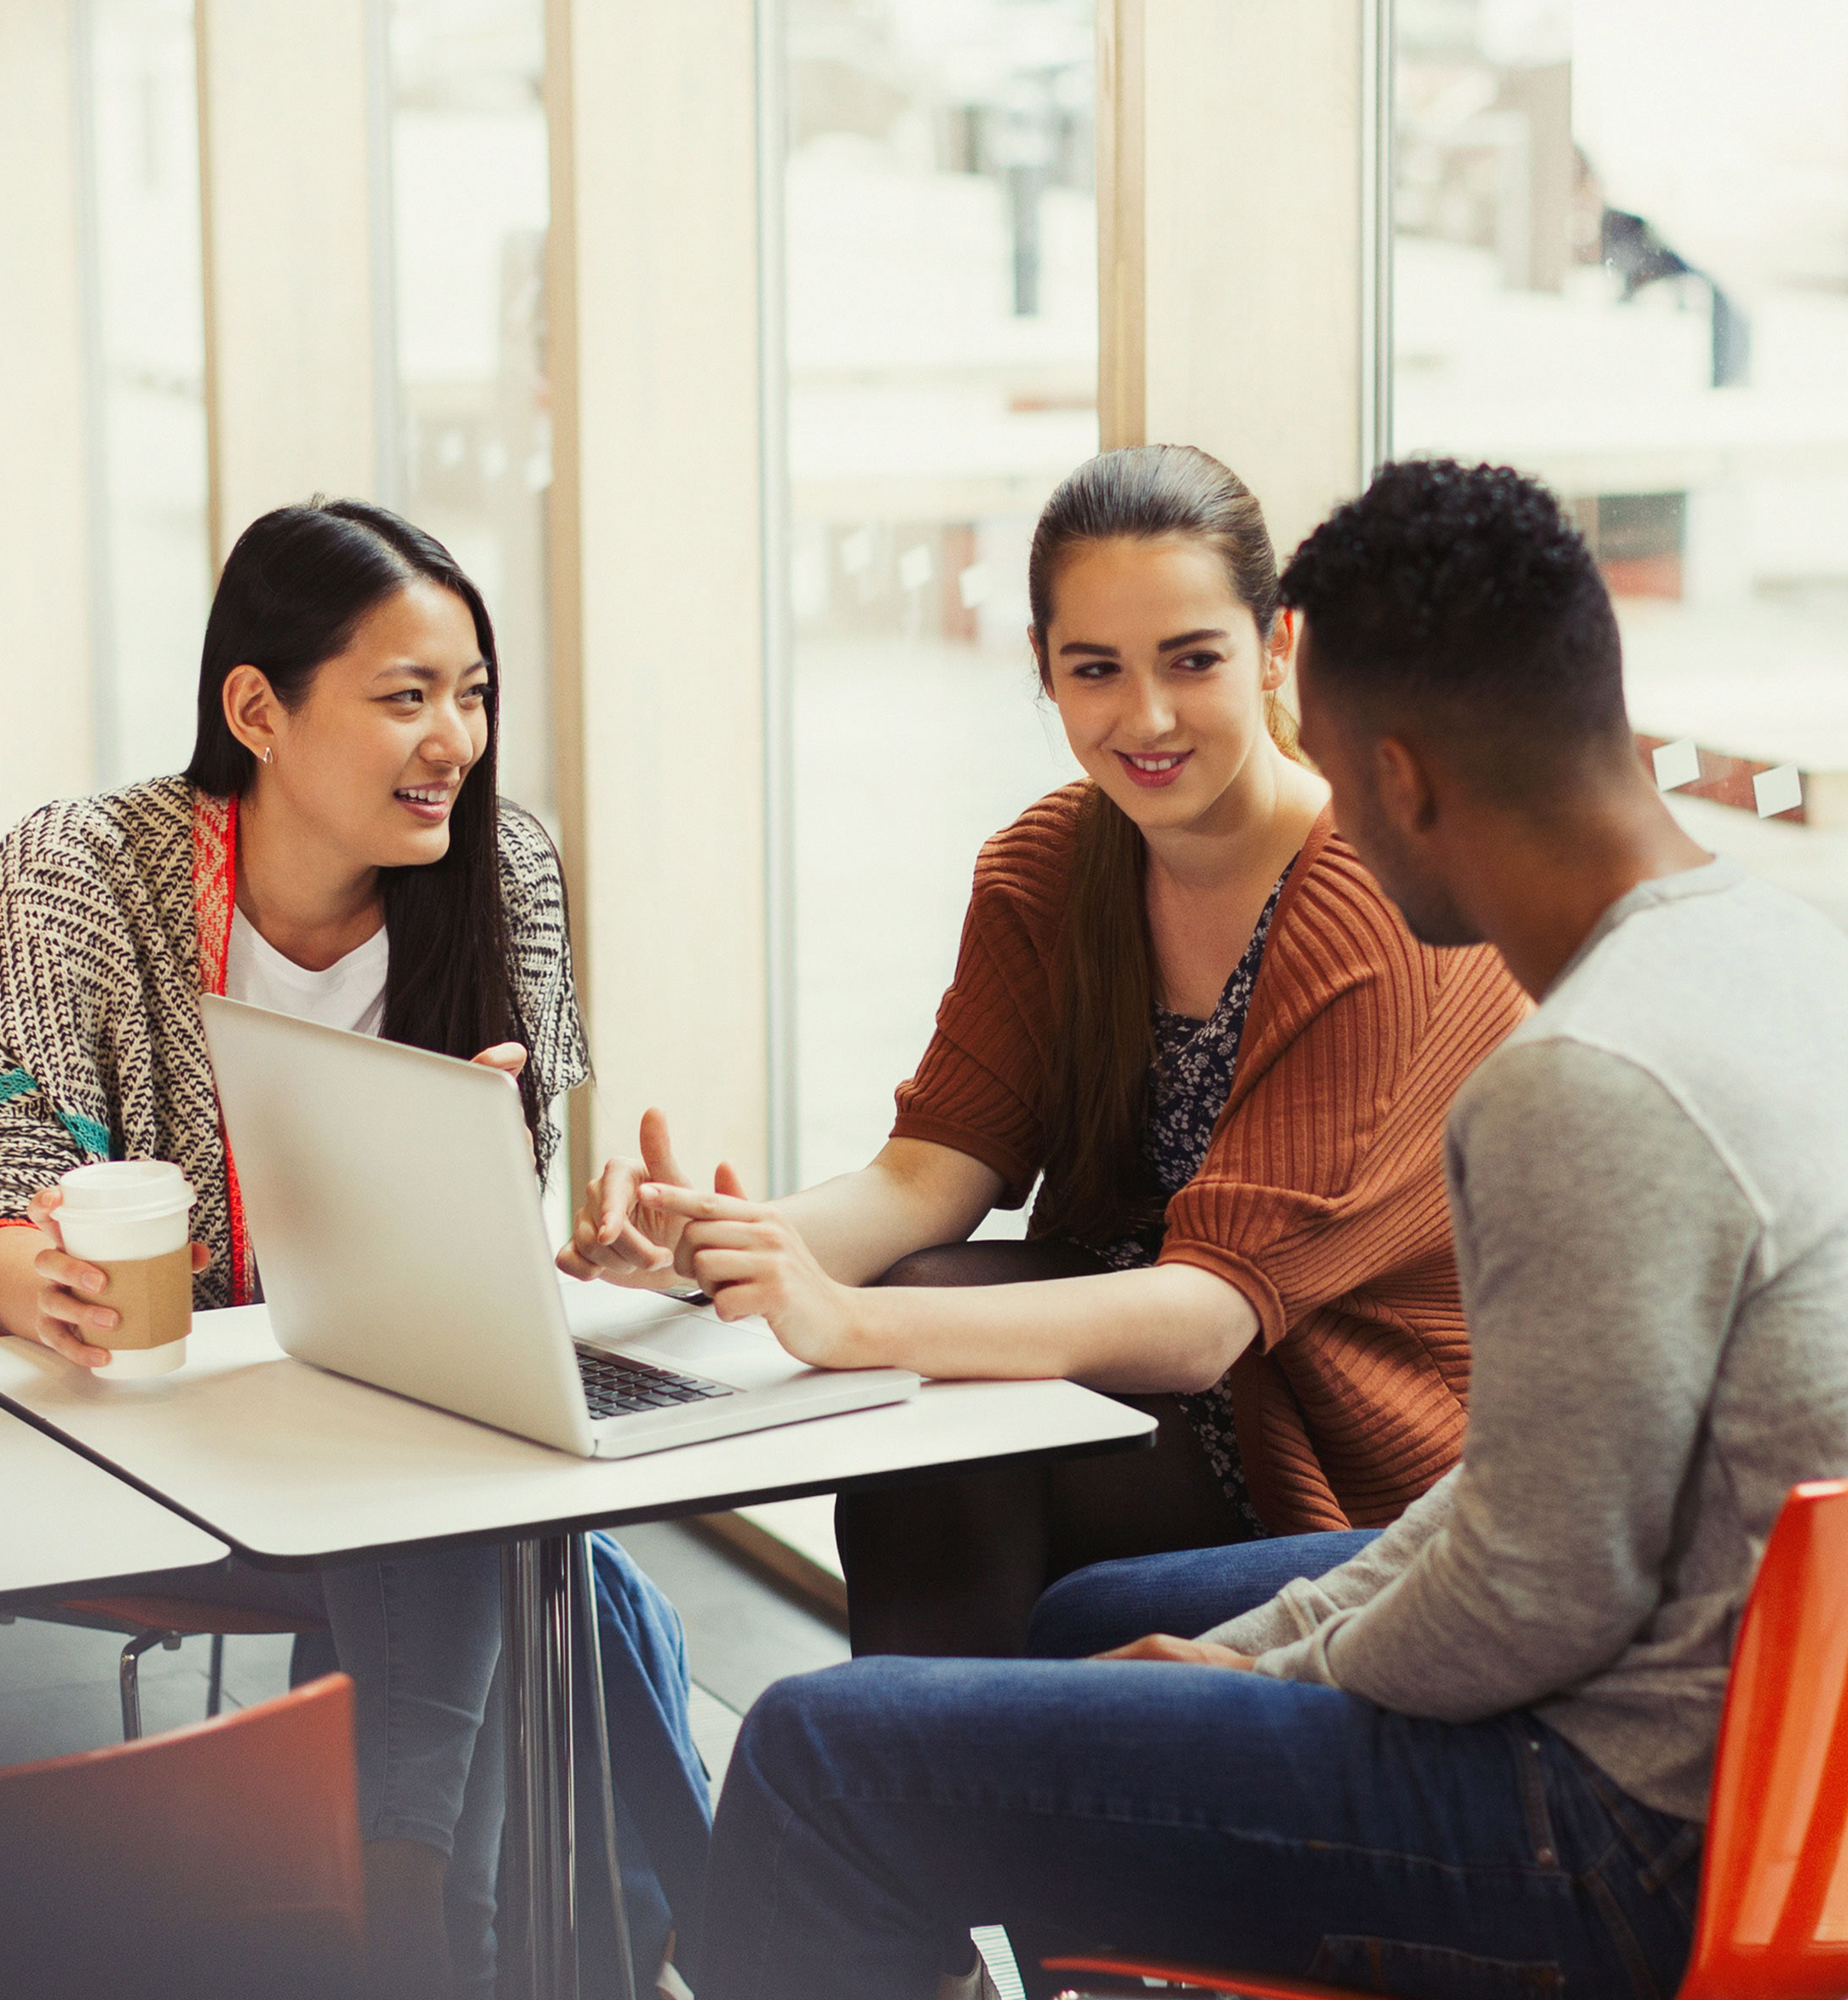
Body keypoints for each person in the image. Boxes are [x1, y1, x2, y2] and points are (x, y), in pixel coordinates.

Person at [676, 458, 1848, 1999]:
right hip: (1735, 1768)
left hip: (1614, 1838)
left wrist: (1265, 1672)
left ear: (1401, 777)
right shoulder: (1775, 950)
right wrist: (1244, 1661)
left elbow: (1528, 1598)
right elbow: (1543, 1519)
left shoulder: (1584, 1082)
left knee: (814, 1753)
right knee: (1093, 1621)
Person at [0, 499, 706, 2000]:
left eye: (474, 693)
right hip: (111, 1410)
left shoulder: (500, 875)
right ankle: (656, 1936)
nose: (454, 737)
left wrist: (585, 1251)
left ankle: (419, 1924)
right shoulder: (78, 874)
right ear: (256, 708)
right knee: (541, 1552)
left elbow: (473, 1248)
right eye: (405, 697)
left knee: (480, 1498)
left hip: (368, 1423)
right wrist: (31, 1276)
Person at [556, 446, 1530, 1657]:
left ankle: (920, 1780)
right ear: (1044, 672)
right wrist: (712, 1257)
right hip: (1134, 1389)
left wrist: (845, 1323)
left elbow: (1212, 1319)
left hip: (1343, 1464)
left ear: (1277, 647)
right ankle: (926, 1782)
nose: (1148, 718)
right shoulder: (1051, 870)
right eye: (1096, 671)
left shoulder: (1375, 900)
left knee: (922, 1376)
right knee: (927, 1347)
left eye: (1194, 661)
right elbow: (924, 1180)